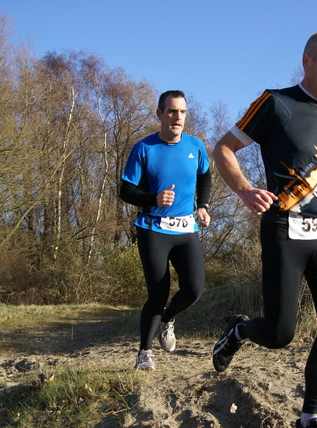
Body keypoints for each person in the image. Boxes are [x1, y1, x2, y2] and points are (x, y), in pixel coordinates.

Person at [212, 32, 317, 427]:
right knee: (279, 333)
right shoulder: (275, 103)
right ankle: (238, 330)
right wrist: (245, 189)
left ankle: (310, 415)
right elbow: (223, 148)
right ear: (306, 60)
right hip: (283, 233)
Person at [120, 90, 211, 371]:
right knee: (158, 292)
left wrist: (203, 206)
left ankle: (168, 319)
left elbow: (205, 175)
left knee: (194, 289)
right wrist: (154, 199)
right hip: (152, 229)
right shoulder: (144, 148)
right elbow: (126, 190)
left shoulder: (195, 147)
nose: (177, 117)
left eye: (182, 112)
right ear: (160, 115)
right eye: (171, 111)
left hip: (186, 229)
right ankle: (144, 353)